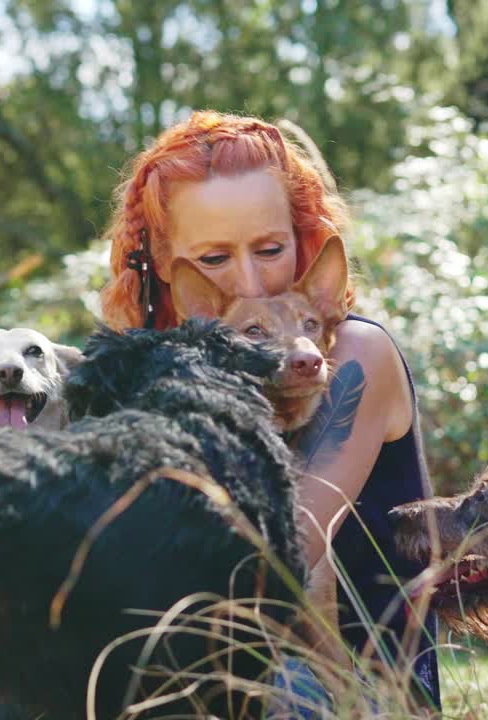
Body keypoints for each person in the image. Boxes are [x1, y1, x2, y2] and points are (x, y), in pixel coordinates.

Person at [98, 110, 441, 710]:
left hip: (357, 687)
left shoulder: (351, 354)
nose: (251, 283)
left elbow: (275, 565)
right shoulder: (156, 372)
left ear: (304, 236)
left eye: (270, 247)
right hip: (188, 652)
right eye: (214, 259)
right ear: (165, 265)